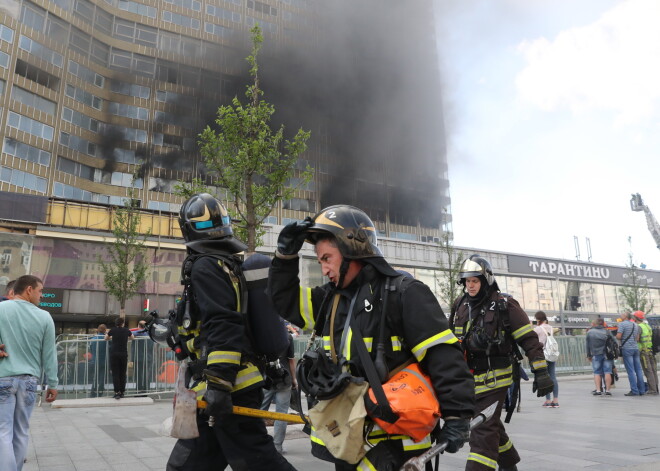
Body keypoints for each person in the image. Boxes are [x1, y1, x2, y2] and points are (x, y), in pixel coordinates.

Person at [268, 205, 475, 470]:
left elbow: (443, 356)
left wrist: (457, 415)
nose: (323, 269)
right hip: (348, 439)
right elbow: (284, 301)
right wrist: (285, 257)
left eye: (327, 258)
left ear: (351, 249)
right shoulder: (330, 299)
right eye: (320, 260)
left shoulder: (404, 293)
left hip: (393, 442)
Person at [167, 193, 295, 471]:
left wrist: (220, 386)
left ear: (186, 228)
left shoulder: (205, 266)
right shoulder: (226, 265)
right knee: (187, 465)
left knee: (259, 462)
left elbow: (223, 323)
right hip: (222, 387)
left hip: (228, 388)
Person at [449, 255, 552, 471]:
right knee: (491, 425)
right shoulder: (459, 305)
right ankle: (509, 466)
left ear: (486, 280)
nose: (470, 285)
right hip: (469, 380)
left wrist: (541, 372)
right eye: (467, 281)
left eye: (475, 280)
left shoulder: (505, 305)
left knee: (482, 431)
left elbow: (529, 339)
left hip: (496, 379)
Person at [0, 275, 58, 471]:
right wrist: (53, 383)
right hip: (29, 381)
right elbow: (49, 354)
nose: (42, 295)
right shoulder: (44, 317)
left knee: (3, 431)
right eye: (40, 291)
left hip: (3, 377)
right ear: (29, 290)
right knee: (22, 431)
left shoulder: (1, 309)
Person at [261, 332, 297, 454]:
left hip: (266, 380)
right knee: (281, 414)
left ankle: (259, 444)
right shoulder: (287, 336)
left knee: (260, 412)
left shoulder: (263, 335)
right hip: (284, 379)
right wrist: (294, 379)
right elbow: (291, 361)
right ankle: (277, 447)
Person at [533, 311, 559, 408]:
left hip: (542, 355)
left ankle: (548, 400)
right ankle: (555, 400)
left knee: (544, 377)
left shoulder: (538, 329)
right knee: (553, 376)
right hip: (551, 354)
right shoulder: (551, 328)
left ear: (538, 319)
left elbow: (534, 340)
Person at [616, 311, 645, 396]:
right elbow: (637, 338)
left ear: (625, 316)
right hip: (635, 348)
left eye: (621, 314)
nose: (620, 315)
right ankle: (642, 390)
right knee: (638, 370)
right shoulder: (635, 325)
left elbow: (619, 336)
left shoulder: (622, 324)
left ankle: (634, 391)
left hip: (627, 349)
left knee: (631, 370)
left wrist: (616, 336)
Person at [105, 317, 134, 399]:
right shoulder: (126, 330)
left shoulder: (113, 330)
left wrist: (111, 338)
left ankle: (117, 392)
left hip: (114, 354)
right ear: (123, 323)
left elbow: (105, 338)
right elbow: (132, 337)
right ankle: (122, 392)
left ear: (116, 323)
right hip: (124, 354)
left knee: (115, 373)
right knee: (122, 373)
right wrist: (126, 338)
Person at [632, 311, 658, 395]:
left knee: (648, 371)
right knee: (653, 370)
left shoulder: (639, 327)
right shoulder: (647, 326)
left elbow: (637, 339)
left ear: (636, 318)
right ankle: (656, 388)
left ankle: (652, 390)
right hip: (650, 350)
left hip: (644, 352)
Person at [586, 318, 614, 396]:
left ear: (595, 324)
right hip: (607, 354)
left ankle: (598, 390)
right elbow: (614, 342)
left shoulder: (590, 332)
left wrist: (589, 355)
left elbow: (587, 345)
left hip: (595, 354)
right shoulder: (607, 331)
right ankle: (607, 390)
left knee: (597, 372)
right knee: (608, 372)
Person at [131, 320, 153, 394]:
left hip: (138, 358)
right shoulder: (150, 334)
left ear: (138, 326)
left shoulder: (137, 333)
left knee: (138, 375)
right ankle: (146, 390)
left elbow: (130, 333)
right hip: (148, 358)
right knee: (147, 375)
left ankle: (139, 391)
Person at [90, 324, 108, 397]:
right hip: (104, 360)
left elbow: (91, 349)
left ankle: (93, 391)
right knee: (102, 377)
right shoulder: (106, 339)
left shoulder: (93, 339)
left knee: (95, 376)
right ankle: (100, 391)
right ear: (105, 330)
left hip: (95, 360)